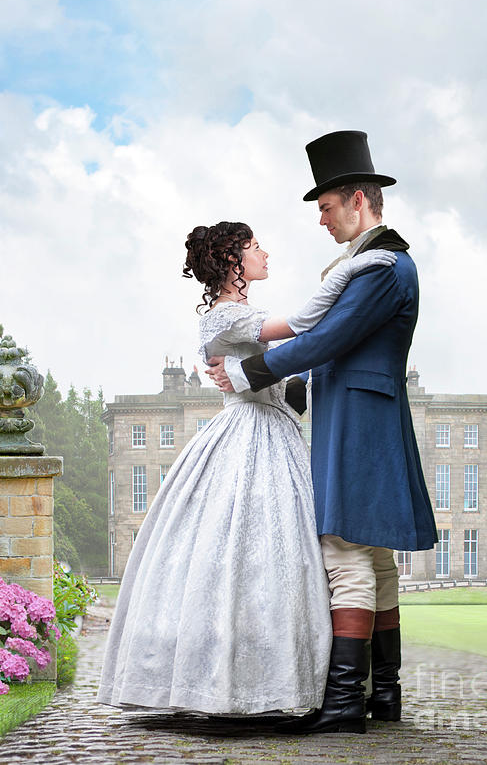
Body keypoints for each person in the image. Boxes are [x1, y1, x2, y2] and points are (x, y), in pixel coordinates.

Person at [96, 219, 395, 716]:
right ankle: (238, 686)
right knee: (247, 557)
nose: (265, 252)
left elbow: (281, 379)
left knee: (279, 559)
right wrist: (355, 267)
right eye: (256, 245)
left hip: (276, 430)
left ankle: (285, 681)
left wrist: (264, 376)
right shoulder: (224, 315)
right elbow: (303, 325)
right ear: (233, 257)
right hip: (249, 435)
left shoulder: (238, 313)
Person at [207, 131, 438, 734]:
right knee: (374, 557)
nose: (322, 219)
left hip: (360, 421)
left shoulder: (383, 267)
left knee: (344, 553)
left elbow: (328, 341)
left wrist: (246, 370)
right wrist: (285, 387)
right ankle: (381, 697)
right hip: (356, 413)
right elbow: (328, 349)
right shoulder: (371, 264)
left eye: (327, 207)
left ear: (358, 200)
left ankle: (342, 706)